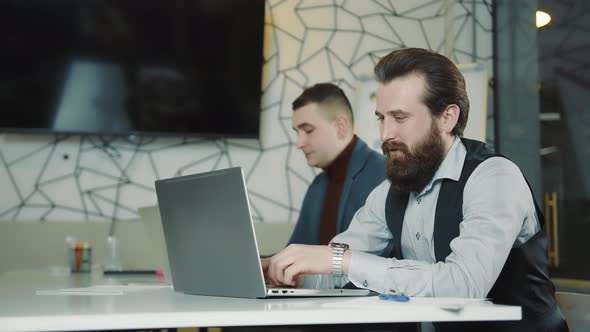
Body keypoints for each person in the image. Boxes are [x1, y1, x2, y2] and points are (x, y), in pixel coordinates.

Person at [264, 48, 568, 331]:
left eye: (400, 117)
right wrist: (286, 272)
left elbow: (462, 285)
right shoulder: (391, 190)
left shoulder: (495, 178)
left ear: (447, 117)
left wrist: (339, 260)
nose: (385, 134)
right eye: (382, 118)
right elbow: (338, 268)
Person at [287, 83, 385, 246]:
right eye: (297, 133)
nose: (299, 143)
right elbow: (295, 253)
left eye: (308, 130)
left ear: (341, 126)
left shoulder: (386, 176)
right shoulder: (317, 186)